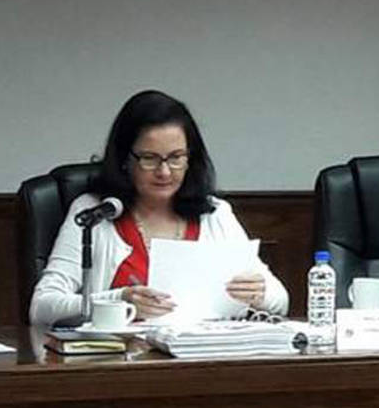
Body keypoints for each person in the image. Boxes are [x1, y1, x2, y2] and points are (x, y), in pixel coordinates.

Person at [29, 90, 288, 326]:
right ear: (124, 159)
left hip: (202, 355)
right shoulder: (95, 214)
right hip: (117, 358)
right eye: (149, 159)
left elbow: (280, 300)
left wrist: (259, 293)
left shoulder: (215, 214)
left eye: (176, 158)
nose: (164, 172)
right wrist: (119, 300)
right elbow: (42, 306)